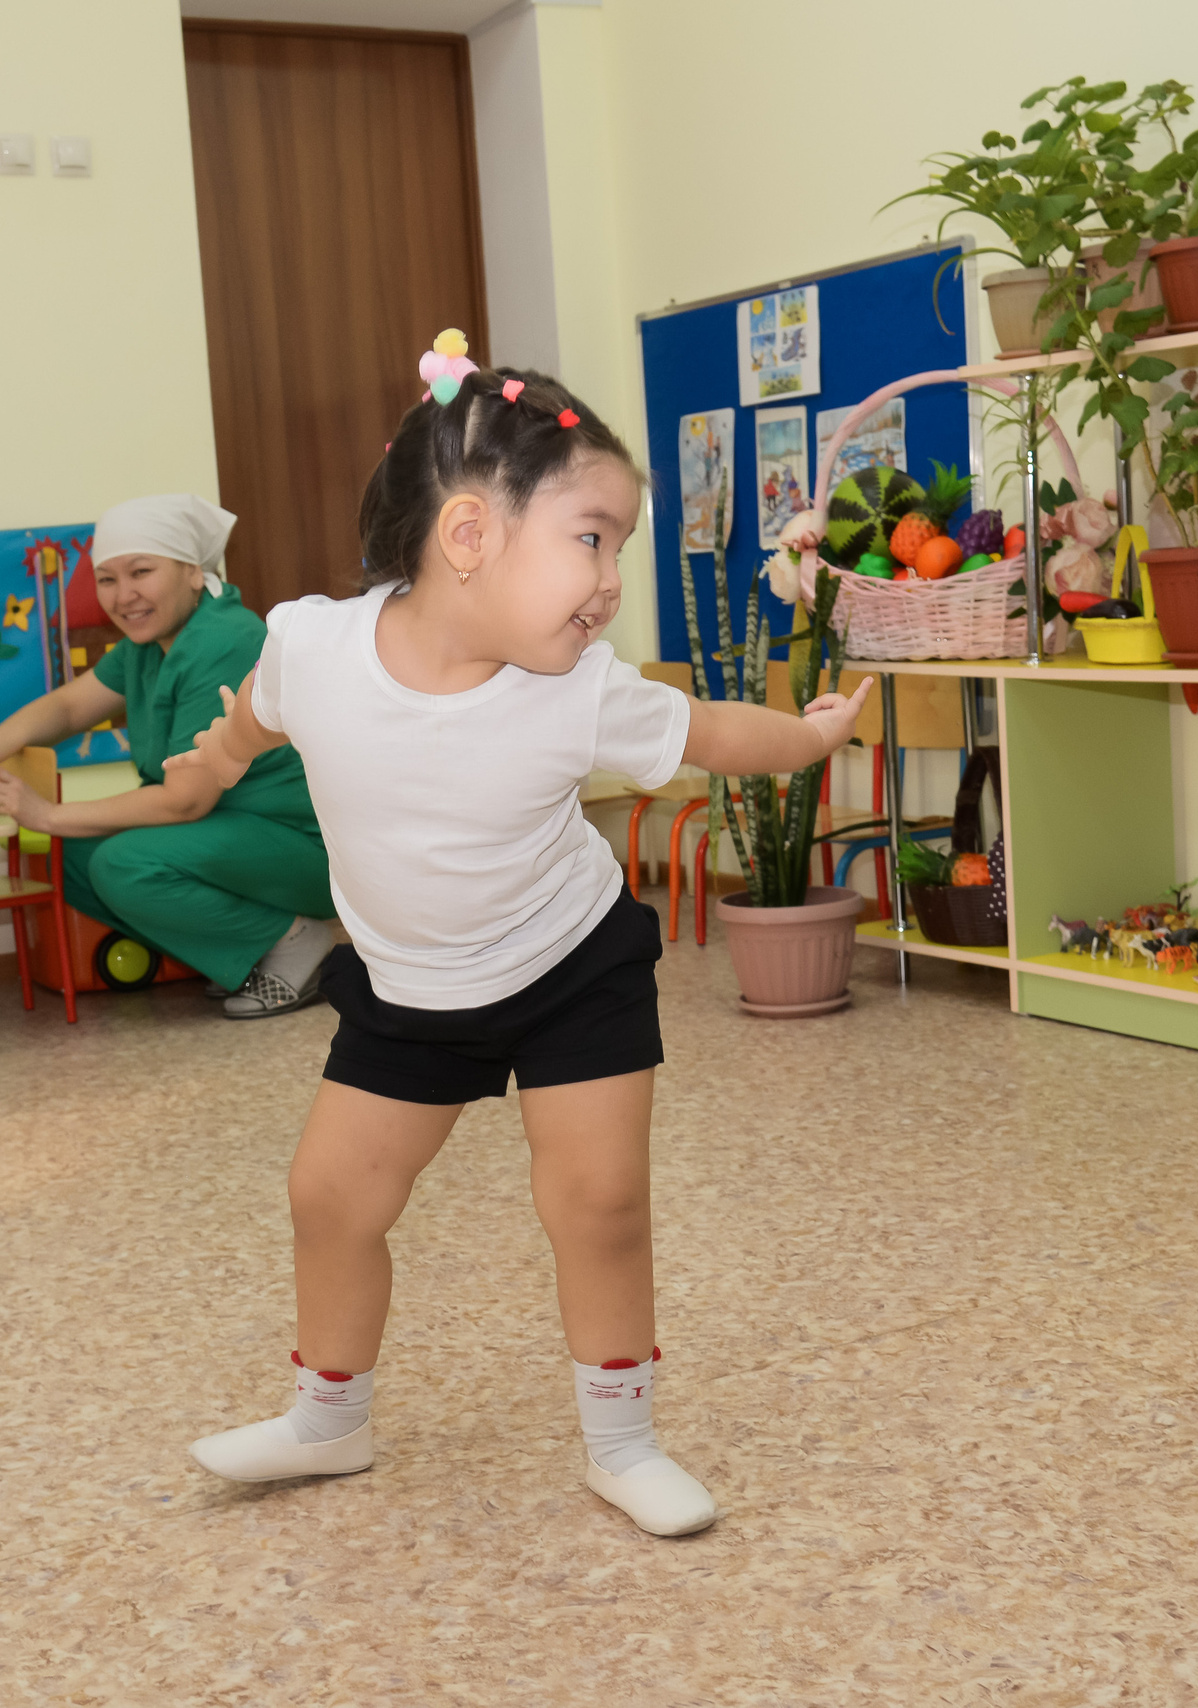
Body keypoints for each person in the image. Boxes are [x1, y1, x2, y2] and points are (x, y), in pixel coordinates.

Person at [169, 340, 869, 1535]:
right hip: (406, 984)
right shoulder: (315, 647)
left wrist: (808, 740)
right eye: (590, 538)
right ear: (469, 535)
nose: (607, 581)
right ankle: (328, 1421)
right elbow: (257, 713)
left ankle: (622, 1441)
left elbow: (707, 732)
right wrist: (214, 760)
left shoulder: (577, 687)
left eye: (617, 550)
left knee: (596, 1201)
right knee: (329, 1197)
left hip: (570, 968)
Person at [0, 496, 335, 1019]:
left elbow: (183, 804)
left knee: (120, 860)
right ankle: (258, 948)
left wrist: (47, 814)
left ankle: (300, 939)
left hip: (303, 848)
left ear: (194, 573)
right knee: (67, 858)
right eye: (107, 579)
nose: (123, 596)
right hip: (232, 839)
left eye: (141, 572)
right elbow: (67, 707)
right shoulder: (148, 645)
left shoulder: (221, 639)